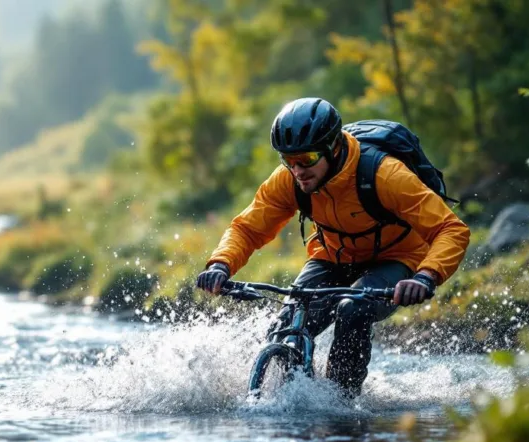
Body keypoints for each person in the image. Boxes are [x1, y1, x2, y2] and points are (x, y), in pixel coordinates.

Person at [195, 97, 470, 396]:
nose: (298, 170)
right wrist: (221, 264)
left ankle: (341, 401)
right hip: (333, 256)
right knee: (286, 325)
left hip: (396, 259)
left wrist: (425, 276)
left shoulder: (385, 175)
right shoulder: (288, 181)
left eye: (308, 158)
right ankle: (296, 397)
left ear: (334, 147)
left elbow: (451, 229)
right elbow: (247, 228)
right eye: (289, 160)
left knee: (354, 309)